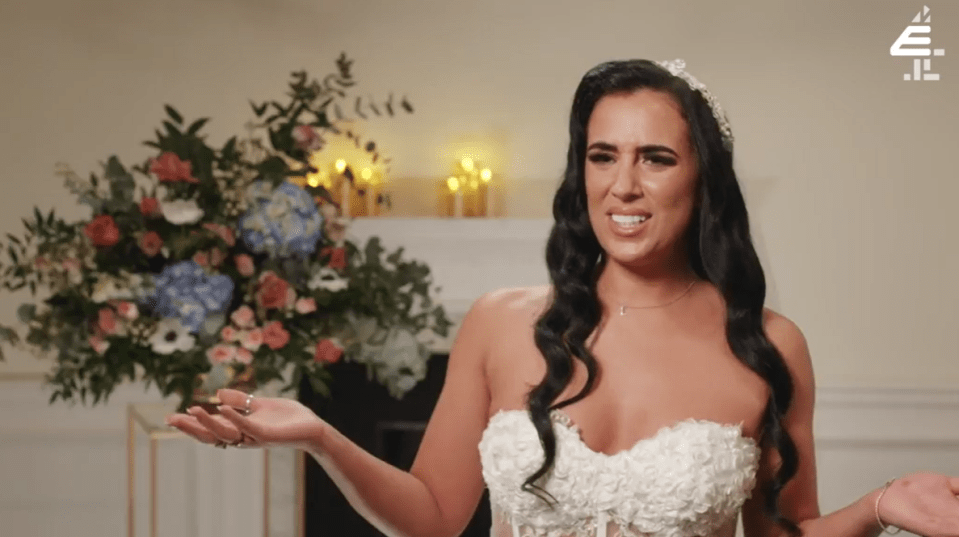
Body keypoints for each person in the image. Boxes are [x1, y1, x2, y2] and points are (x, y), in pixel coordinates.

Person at [167, 59, 959, 537]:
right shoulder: (499, 322)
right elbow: (435, 516)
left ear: (701, 178)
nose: (622, 185)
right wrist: (319, 436)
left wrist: (883, 503)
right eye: (601, 155)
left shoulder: (766, 343)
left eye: (654, 158)